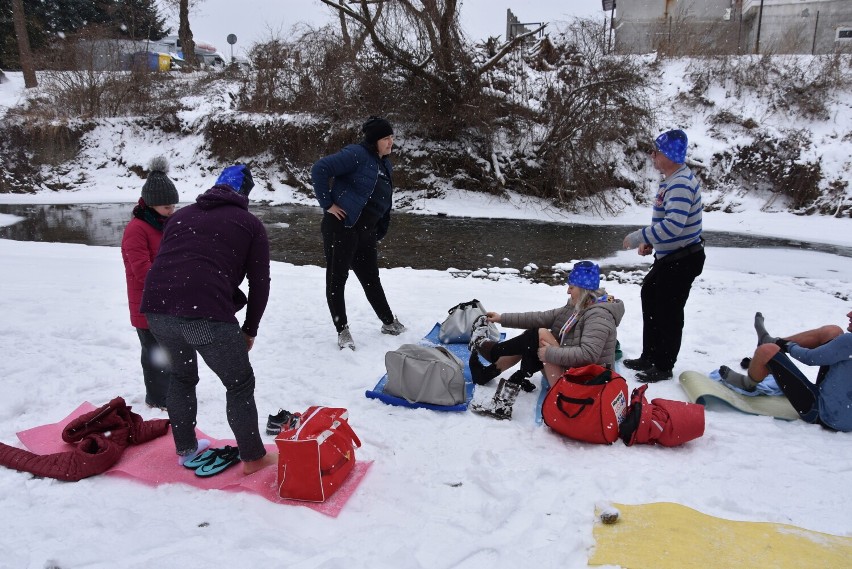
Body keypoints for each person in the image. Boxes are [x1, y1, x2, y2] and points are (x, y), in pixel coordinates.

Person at [140, 164, 276, 475]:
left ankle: (186, 448)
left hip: (157, 310)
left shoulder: (180, 216)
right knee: (239, 383)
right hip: (202, 314)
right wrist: (250, 329)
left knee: (182, 377)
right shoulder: (249, 223)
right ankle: (253, 458)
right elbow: (260, 283)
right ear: (245, 194)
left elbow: (175, 261)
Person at [311, 116, 406, 350]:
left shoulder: (384, 163)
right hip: (341, 227)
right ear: (374, 140)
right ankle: (342, 330)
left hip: (366, 231)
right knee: (337, 279)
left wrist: (380, 228)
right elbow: (320, 169)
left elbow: (384, 199)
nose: (390, 142)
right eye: (386, 138)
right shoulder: (356, 154)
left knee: (371, 278)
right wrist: (328, 204)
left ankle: (388, 322)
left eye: (392, 137)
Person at [469, 261, 625, 397]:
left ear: (584, 290)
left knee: (540, 335)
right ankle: (488, 371)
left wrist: (549, 353)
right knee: (533, 335)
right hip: (573, 373)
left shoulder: (598, 315)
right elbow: (541, 317)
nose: (568, 291)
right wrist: (502, 318)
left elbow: (588, 355)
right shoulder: (579, 306)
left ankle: (494, 352)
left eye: (571, 287)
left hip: (586, 385)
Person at [622, 129, 704, 383]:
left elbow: (673, 226)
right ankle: (650, 355)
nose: (652, 155)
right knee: (651, 297)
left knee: (668, 311)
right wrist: (654, 244)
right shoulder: (671, 179)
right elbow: (669, 226)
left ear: (668, 155)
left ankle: (664, 364)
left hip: (683, 259)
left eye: (656, 152)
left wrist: (641, 237)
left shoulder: (680, 183)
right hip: (671, 256)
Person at [718, 311, 852, 432]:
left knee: (767, 350)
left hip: (822, 414)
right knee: (832, 332)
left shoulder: (849, 341)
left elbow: (809, 358)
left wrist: (788, 346)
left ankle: (748, 383)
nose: (849, 314)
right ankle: (772, 345)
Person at [121, 156, 178, 410]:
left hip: (165, 301)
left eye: (173, 205)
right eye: (167, 206)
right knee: (153, 351)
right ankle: (157, 398)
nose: (172, 210)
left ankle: (170, 393)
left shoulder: (164, 224)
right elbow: (141, 270)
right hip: (146, 302)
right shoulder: (137, 229)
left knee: (167, 349)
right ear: (152, 204)